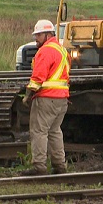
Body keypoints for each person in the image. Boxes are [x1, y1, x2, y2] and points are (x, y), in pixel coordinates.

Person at [21, 19, 71, 176]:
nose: (36, 38)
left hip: (46, 97)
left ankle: (39, 166)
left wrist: (28, 94)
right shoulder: (62, 50)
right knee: (55, 131)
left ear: (48, 35)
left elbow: (38, 77)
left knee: (39, 131)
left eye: (39, 35)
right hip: (62, 98)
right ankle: (59, 165)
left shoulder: (46, 51)